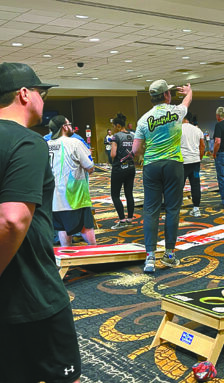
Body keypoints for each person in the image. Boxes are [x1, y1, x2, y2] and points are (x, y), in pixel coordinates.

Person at [0, 62, 81, 383]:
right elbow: (12, 220)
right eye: (41, 92)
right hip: (31, 292)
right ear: (24, 94)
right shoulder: (26, 141)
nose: (43, 101)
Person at [133, 79, 192, 274]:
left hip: (151, 166)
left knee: (151, 210)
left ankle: (150, 257)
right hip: (174, 165)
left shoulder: (143, 119)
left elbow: (135, 149)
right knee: (173, 209)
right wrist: (189, 90)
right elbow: (187, 102)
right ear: (167, 95)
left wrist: (146, 151)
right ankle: (169, 254)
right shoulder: (176, 112)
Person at [48, 115, 96, 246]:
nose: (71, 127)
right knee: (86, 226)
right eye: (69, 124)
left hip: (54, 197)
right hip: (75, 196)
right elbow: (90, 167)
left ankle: (67, 256)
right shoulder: (74, 143)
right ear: (64, 127)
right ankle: (95, 253)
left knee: (62, 228)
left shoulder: (47, 145)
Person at [109, 112, 136, 229]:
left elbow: (113, 154)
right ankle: (130, 218)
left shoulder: (116, 137)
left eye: (114, 126)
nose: (113, 128)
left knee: (115, 195)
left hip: (119, 168)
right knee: (129, 193)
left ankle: (122, 220)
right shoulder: (133, 135)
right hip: (131, 167)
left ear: (118, 126)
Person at [181, 111, 205, 217]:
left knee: (177, 187)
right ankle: (196, 209)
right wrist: (199, 158)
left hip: (182, 163)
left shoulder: (177, 129)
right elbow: (202, 146)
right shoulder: (197, 130)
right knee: (195, 185)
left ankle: (173, 211)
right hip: (195, 163)